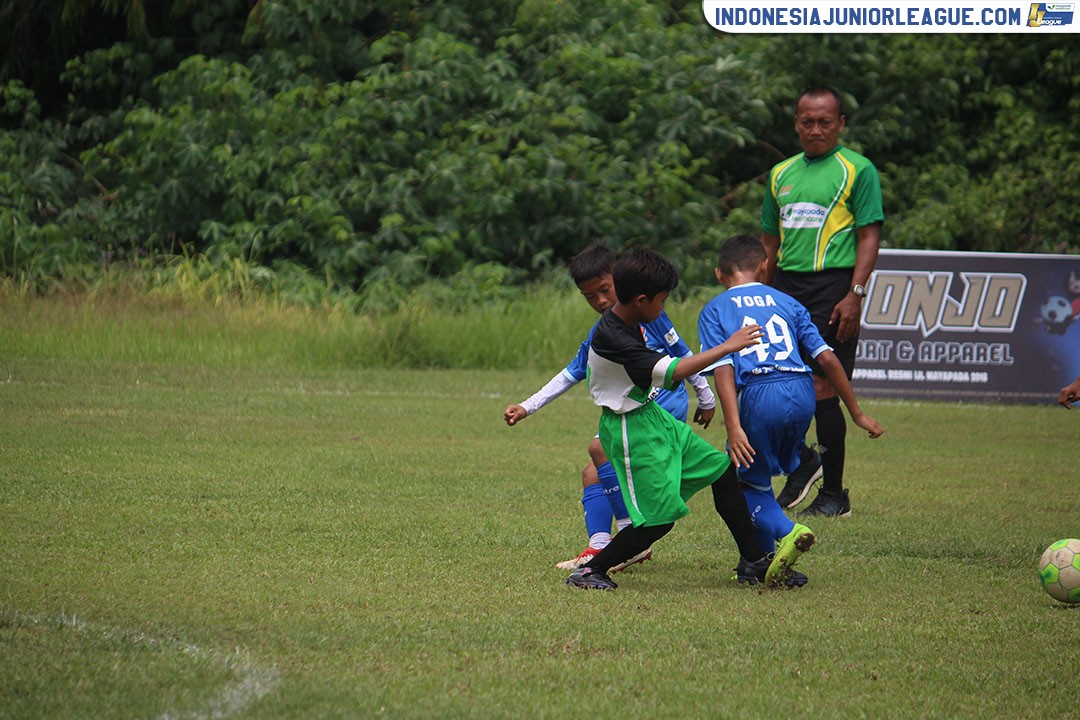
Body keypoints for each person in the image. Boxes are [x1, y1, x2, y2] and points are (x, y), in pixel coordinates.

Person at [564, 247, 776, 591]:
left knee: (722, 471)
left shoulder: (631, 320)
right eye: (662, 301)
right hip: (631, 430)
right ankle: (591, 571)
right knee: (659, 522)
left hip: (654, 418)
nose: (663, 308)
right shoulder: (613, 335)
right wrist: (727, 346)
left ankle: (752, 561)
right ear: (642, 299)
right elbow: (672, 370)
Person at [503, 244, 717, 572]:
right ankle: (600, 546)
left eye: (605, 290)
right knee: (592, 472)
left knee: (598, 449)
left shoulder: (650, 312)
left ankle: (632, 537)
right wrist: (526, 406)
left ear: (619, 278)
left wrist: (706, 398)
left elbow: (683, 355)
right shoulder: (604, 330)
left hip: (659, 410)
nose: (600, 301)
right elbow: (572, 373)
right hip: (630, 413)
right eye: (590, 297)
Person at [699, 235, 885, 586]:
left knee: (739, 483)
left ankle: (789, 531)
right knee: (759, 477)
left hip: (759, 393)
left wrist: (733, 425)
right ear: (765, 266)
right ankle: (764, 562)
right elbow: (827, 358)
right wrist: (857, 413)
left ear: (719, 274)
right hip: (802, 391)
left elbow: (723, 368)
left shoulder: (715, 309)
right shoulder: (788, 302)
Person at [761, 85, 885, 518]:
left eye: (824, 122)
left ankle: (833, 493)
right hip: (785, 289)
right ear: (796, 124)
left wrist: (855, 293)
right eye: (807, 122)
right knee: (777, 385)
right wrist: (762, 291)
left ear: (840, 124)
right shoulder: (780, 174)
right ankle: (803, 463)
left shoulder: (858, 169)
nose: (815, 130)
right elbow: (769, 242)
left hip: (834, 288)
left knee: (822, 387)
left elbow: (869, 235)